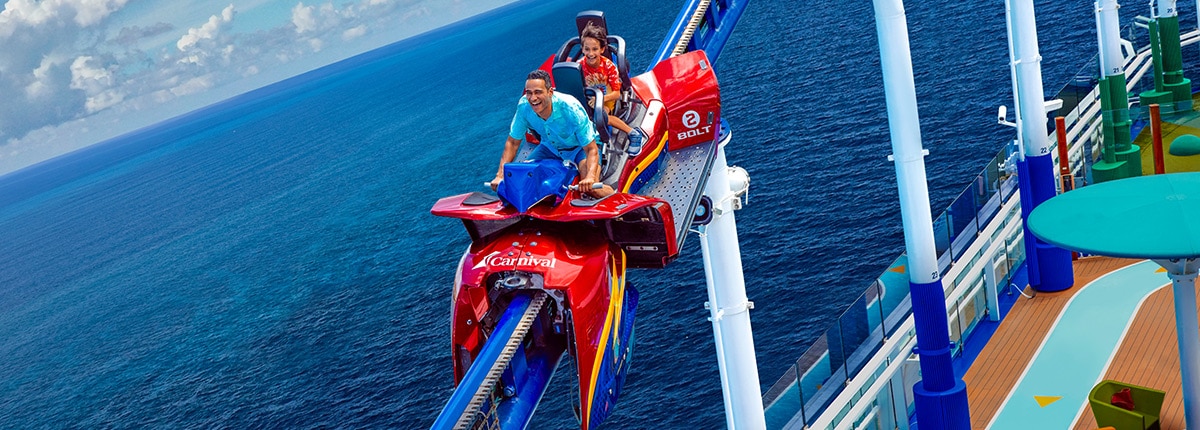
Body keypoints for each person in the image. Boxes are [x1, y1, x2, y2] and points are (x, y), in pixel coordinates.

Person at [490, 69, 614, 198]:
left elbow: (590, 149)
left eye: (538, 92)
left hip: (580, 148)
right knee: (524, 182)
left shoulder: (570, 108)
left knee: (591, 188)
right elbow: (513, 142)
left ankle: (617, 197)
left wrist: (590, 177)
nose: (533, 98)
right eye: (529, 93)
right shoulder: (524, 107)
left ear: (550, 92)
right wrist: (500, 175)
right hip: (550, 147)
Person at [578, 21, 645, 155]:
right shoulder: (579, 65)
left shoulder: (608, 67)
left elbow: (616, 94)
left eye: (595, 49)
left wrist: (601, 100)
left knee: (601, 116)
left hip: (607, 96)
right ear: (582, 49)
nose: (590, 53)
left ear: (602, 49)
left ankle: (633, 133)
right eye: (587, 49)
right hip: (590, 96)